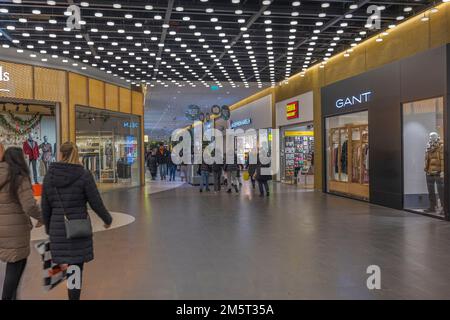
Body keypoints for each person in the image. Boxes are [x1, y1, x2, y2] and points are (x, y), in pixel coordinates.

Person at [41, 142, 113, 300]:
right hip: (77, 230)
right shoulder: (84, 175)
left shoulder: (50, 175)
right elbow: (96, 202)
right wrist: (107, 219)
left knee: (62, 264)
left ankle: (66, 284)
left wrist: (48, 228)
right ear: (76, 154)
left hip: (58, 230)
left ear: (60, 154)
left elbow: (45, 206)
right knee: (75, 268)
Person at [0, 147, 43, 300]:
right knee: (15, 269)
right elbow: (29, 205)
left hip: (3, 228)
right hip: (16, 230)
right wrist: (42, 217)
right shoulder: (19, 177)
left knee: (15, 267)